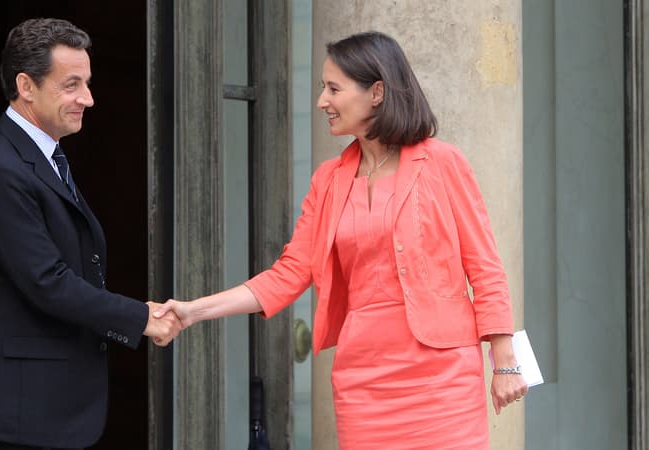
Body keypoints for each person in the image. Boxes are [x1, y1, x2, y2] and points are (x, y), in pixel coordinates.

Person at [154, 31, 527, 449]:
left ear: (377, 92)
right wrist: (192, 311)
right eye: (321, 88)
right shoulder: (328, 180)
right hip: (364, 380)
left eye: (333, 88)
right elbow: (289, 274)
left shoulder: (443, 163)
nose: (322, 102)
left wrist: (505, 363)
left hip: (443, 379)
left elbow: (486, 266)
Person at [0, 18, 180, 450]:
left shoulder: (37, 155)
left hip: (29, 409)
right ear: (25, 86)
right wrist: (141, 318)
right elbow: (47, 281)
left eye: (86, 83)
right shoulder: (1, 170)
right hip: (9, 415)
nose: (88, 98)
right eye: (71, 85)